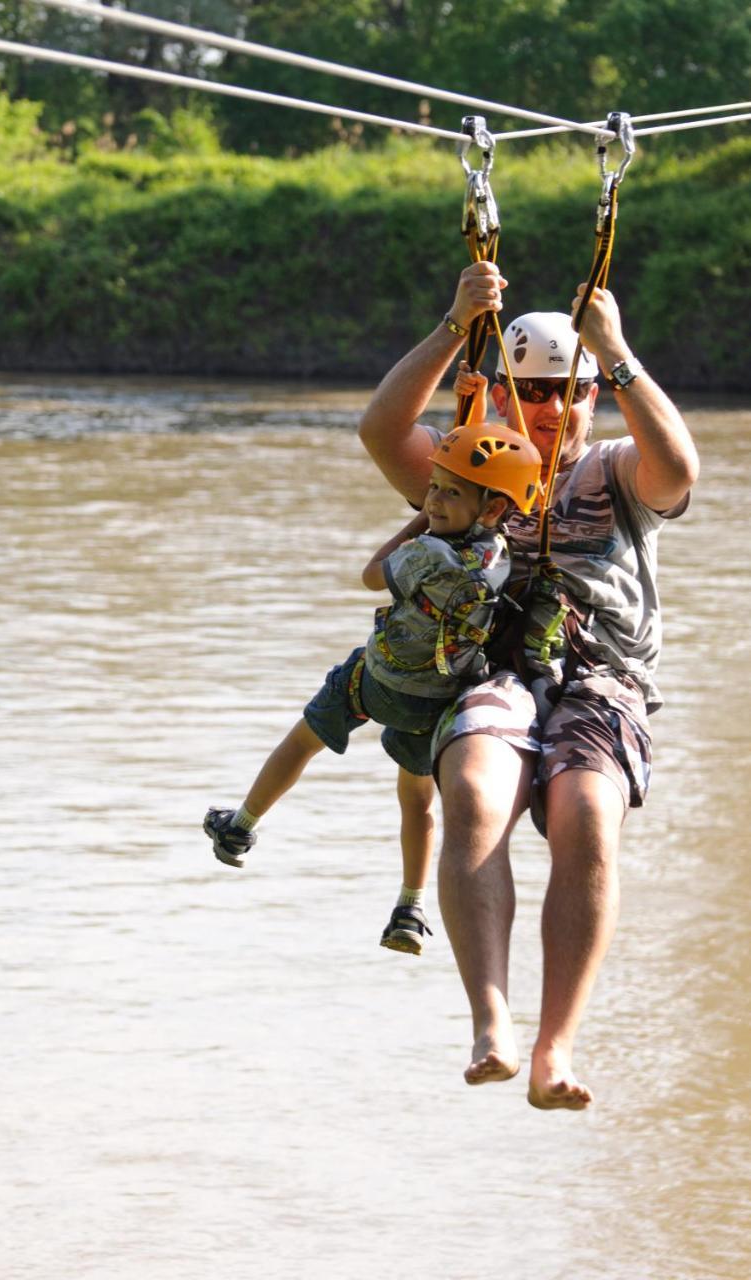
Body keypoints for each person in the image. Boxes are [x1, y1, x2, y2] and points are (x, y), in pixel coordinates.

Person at [358, 259, 699, 1109]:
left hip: (601, 683)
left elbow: (681, 469)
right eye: (533, 392)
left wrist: (614, 353)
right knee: (471, 786)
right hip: (502, 674)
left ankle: (556, 1049)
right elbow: (381, 430)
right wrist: (452, 324)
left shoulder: (618, 471)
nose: (550, 409)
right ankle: (491, 1024)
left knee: (585, 812)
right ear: (505, 397)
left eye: (567, 392)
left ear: (591, 397)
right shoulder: (474, 471)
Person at [204, 406, 542, 956]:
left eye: (449, 494)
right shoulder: (501, 559)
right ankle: (409, 906)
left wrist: (417, 524)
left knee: (303, 740)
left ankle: (241, 825)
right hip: (436, 701)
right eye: (432, 488)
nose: (432, 501)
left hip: (376, 678)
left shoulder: (427, 553)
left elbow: (369, 575)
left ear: (493, 506)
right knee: (416, 800)